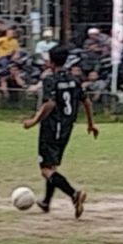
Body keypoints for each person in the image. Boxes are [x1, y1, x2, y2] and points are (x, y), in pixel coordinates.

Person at [22, 45, 98, 218]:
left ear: (51, 62)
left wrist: (33, 121)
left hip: (51, 127)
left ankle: (74, 194)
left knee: (45, 169)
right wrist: (90, 124)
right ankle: (46, 202)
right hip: (66, 127)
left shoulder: (51, 80)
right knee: (52, 166)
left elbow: (49, 104)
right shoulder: (74, 80)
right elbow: (87, 102)